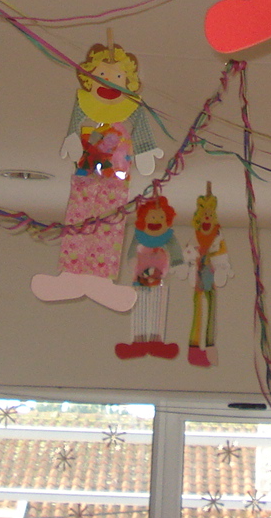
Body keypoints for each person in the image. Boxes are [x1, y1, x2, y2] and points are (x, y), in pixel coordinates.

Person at [32, 43, 163, 311]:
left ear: (128, 82)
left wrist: (145, 151)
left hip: (117, 176)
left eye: (117, 76)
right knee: (79, 213)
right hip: (85, 170)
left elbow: (140, 127)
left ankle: (100, 279)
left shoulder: (131, 108)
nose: (109, 81)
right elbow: (76, 120)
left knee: (111, 219)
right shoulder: (85, 103)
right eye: (102, 75)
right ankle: (71, 274)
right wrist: (72, 138)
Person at [117, 195, 183, 359]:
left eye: (160, 217)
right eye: (152, 217)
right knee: (139, 306)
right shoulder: (139, 235)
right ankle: (138, 341)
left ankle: (156, 341)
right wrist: (133, 265)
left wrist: (177, 263)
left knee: (158, 307)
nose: (156, 220)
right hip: (140, 276)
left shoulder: (168, 236)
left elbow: (175, 251)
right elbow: (132, 252)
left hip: (160, 277)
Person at [184, 185, 232, 367]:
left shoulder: (218, 237)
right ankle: (194, 348)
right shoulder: (195, 236)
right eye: (205, 214)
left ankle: (210, 347)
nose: (207, 218)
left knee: (211, 309)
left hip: (210, 278)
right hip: (198, 277)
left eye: (211, 215)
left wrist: (223, 269)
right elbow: (188, 253)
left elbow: (222, 255)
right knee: (198, 310)